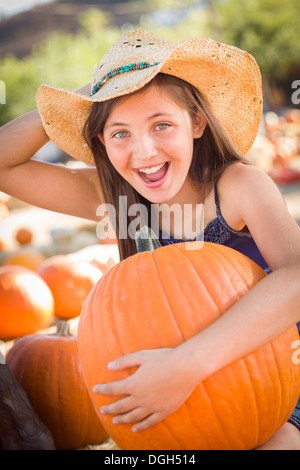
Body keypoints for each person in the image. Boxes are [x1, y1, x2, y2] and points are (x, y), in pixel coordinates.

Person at [1, 30, 300, 450]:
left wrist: (187, 365)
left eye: (161, 124)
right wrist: (87, 97)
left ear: (196, 122)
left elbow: (296, 276)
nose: (144, 152)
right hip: (180, 391)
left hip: (281, 375)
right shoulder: (117, 199)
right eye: (120, 132)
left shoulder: (238, 187)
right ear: (101, 141)